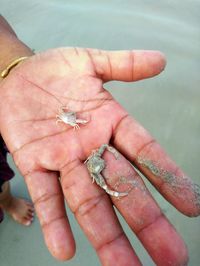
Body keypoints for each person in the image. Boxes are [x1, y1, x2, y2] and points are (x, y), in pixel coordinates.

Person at [0, 14, 199, 266]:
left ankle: (6, 199)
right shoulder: (67, 120)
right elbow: (69, 119)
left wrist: (13, 64)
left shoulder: (71, 122)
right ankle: (6, 201)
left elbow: (71, 119)